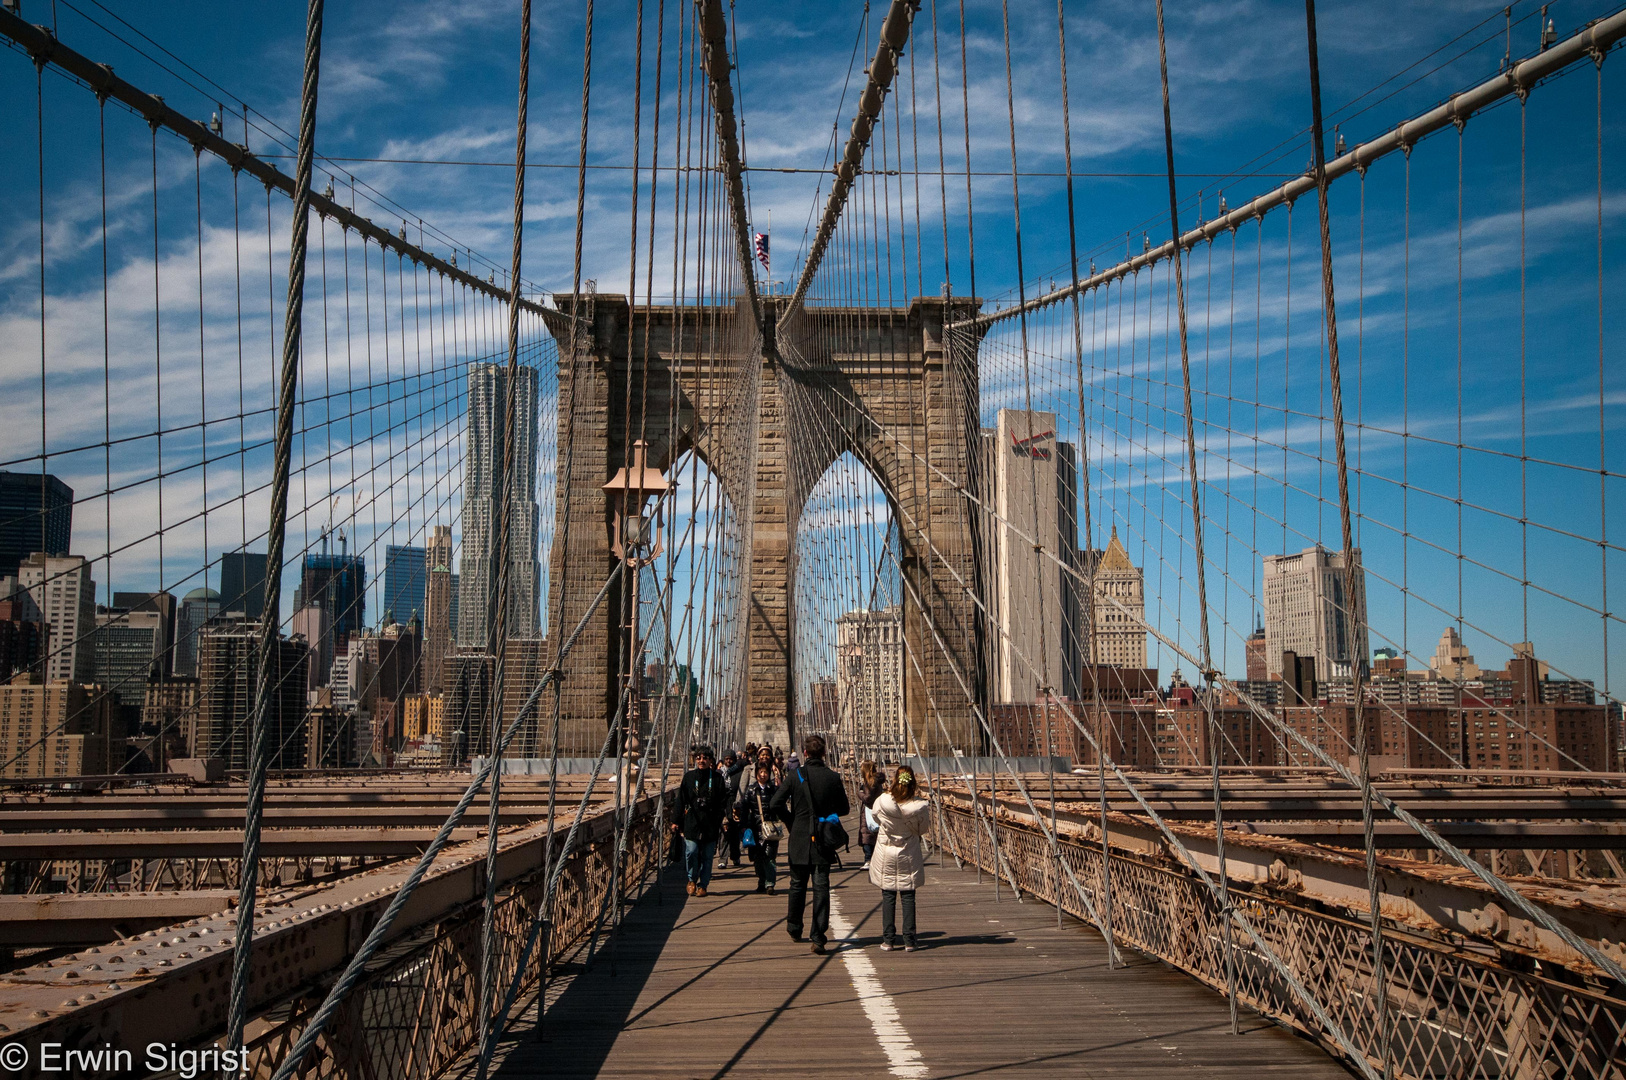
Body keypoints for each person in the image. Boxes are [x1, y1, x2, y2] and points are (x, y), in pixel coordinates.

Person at [769, 734, 850, 954]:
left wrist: (791, 821)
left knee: (797, 884)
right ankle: (819, 937)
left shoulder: (795, 776)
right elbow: (844, 809)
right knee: (821, 887)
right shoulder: (832, 778)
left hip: (799, 838)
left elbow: (775, 803)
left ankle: (794, 928)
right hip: (823, 839)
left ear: (805, 753)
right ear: (824, 753)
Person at [868, 766, 931, 951]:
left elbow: (875, 817)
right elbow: (923, 829)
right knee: (908, 894)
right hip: (908, 851)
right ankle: (909, 941)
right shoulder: (919, 807)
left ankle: (888, 940)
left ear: (895, 779)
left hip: (885, 851)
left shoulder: (882, 801)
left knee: (888, 894)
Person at [675, 745, 727, 896]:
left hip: (710, 822)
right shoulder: (689, 778)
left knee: (708, 856)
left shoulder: (717, 779)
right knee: (691, 851)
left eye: (705, 758)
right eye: (698, 757)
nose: (701, 760)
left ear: (711, 760)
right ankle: (691, 879)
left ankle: (703, 885)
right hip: (692, 821)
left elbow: (722, 801)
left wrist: (720, 818)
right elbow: (681, 800)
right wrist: (676, 820)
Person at [737, 762, 781, 894]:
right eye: (760, 772)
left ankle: (770, 884)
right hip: (755, 828)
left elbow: (781, 806)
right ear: (756, 774)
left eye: (765, 772)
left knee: (770, 856)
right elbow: (744, 810)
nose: (763, 775)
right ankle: (762, 880)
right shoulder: (750, 791)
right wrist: (743, 826)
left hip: (771, 828)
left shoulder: (774, 790)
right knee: (757, 858)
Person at [855, 760, 886, 869]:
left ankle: (868, 860)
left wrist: (859, 793)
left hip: (869, 811)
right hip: (877, 810)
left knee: (867, 835)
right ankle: (875, 859)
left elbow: (868, 798)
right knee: (875, 834)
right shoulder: (876, 782)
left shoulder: (870, 783)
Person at [718, 751, 746, 869]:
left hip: (735, 805)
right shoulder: (719, 773)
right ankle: (723, 858)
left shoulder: (739, 773)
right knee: (723, 832)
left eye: (731, 759)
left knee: (734, 832)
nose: (728, 761)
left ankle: (735, 856)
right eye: (726, 759)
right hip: (722, 805)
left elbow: (742, 788)